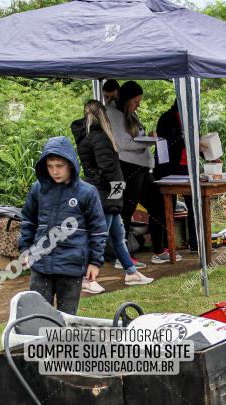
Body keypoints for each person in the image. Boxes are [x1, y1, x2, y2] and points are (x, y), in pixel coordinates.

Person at [19, 137, 107, 315]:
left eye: (59, 166)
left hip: (71, 265)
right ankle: (39, 344)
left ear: (71, 164)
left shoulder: (87, 192)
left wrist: (95, 262)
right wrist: (25, 250)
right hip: (40, 264)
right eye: (50, 166)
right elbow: (28, 221)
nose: (55, 171)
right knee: (37, 316)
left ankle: (63, 344)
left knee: (66, 319)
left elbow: (98, 230)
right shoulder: (38, 189)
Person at [71, 100, 154, 289]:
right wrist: (117, 190)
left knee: (118, 234)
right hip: (106, 191)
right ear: (102, 115)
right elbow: (107, 168)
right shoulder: (100, 137)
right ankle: (88, 278)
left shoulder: (85, 136)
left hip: (102, 189)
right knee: (100, 236)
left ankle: (131, 272)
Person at [107, 81, 178, 264]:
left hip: (143, 168)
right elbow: (124, 143)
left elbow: (136, 137)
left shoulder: (130, 114)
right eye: (136, 102)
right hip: (128, 168)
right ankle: (121, 257)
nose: (138, 105)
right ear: (127, 99)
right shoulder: (114, 114)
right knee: (126, 210)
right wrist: (149, 142)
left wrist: (150, 138)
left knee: (159, 204)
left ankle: (159, 249)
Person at [154, 100, 198, 252]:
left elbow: (194, 142)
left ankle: (195, 243)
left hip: (188, 167)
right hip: (170, 168)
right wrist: (185, 140)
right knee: (168, 206)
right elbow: (165, 144)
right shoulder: (166, 119)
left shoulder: (191, 120)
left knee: (194, 204)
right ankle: (168, 245)